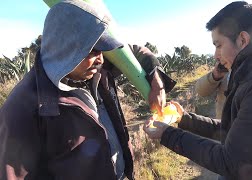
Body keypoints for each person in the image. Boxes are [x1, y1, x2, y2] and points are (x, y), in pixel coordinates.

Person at [0, 0, 175, 179]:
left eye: (104, 50)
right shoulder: (21, 110)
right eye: (92, 51)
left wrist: (156, 82)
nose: (100, 59)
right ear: (65, 48)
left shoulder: (94, 67)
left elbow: (135, 52)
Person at [144, 1, 252, 179]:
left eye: (218, 45)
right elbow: (235, 130)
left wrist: (168, 135)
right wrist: (185, 119)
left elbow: (229, 161)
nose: (215, 55)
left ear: (242, 40)